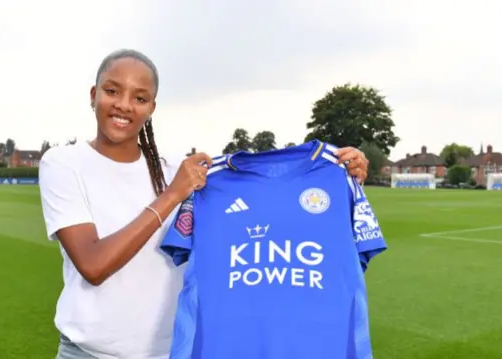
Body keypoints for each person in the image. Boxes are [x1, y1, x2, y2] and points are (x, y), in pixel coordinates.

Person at [38, 49, 370, 359]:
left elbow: (266, 198)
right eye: (112, 91)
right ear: (93, 94)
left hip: (169, 352)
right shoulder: (64, 163)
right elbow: (93, 265)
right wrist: (171, 196)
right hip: (88, 353)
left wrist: (335, 172)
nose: (124, 105)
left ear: (152, 107)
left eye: (139, 97)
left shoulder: (175, 170)